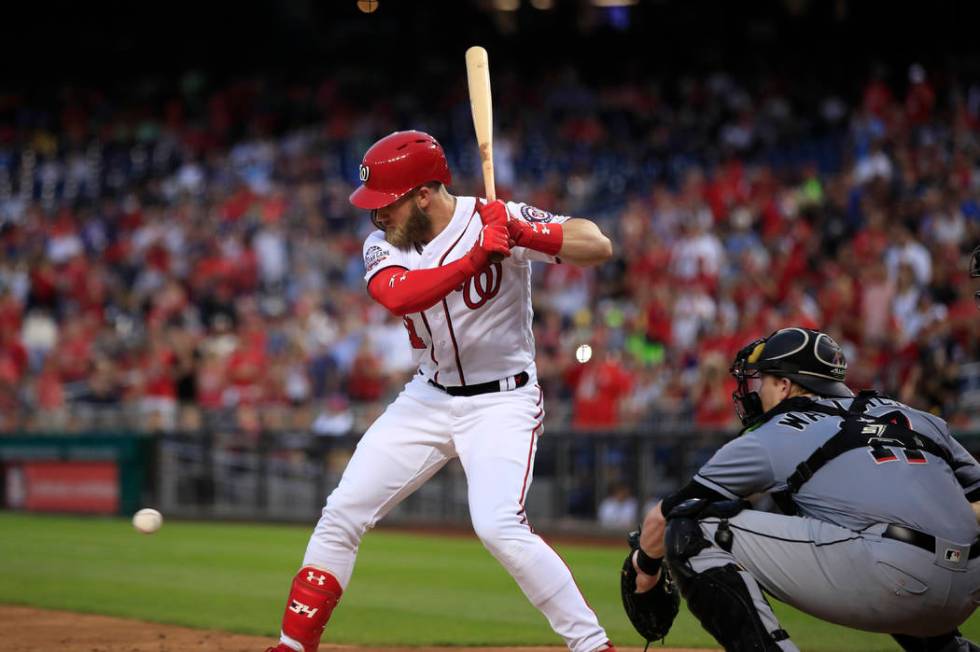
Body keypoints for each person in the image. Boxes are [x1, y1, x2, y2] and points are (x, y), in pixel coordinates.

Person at [266, 130, 616, 652]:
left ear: (424, 195)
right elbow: (402, 296)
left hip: (502, 400)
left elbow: (598, 244)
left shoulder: (496, 217)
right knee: (342, 511)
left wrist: (525, 234)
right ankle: (292, 647)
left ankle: (592, 646)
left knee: (498, 525)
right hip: (428, 396)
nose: (377, 216)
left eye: (387, 204)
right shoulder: (383, 243)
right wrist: (477, 257)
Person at [623, 327, 980, 651]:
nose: (756, 389)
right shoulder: (915, 416)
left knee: (692, 529)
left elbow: (665, 519)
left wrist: (645, 566)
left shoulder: (777, 431)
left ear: (784, 385)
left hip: (894, 581)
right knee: (884, 529)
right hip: (968, 588)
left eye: (762, 379)